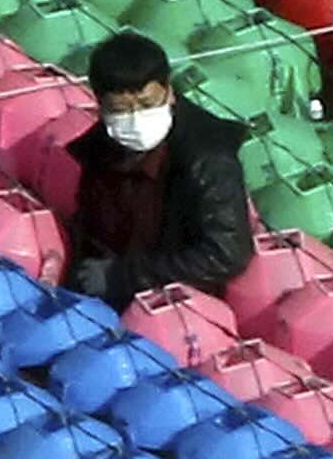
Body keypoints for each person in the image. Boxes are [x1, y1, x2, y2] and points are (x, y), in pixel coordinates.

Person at [60, 33, 253, 308]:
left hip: (177, 301)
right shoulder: (101, 150)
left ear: (169, 92)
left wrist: (122, 276)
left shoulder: (207, 159)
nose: (136, 119)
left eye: (147, 104)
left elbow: (226, 253)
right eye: (121, 110)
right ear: (100, 105)